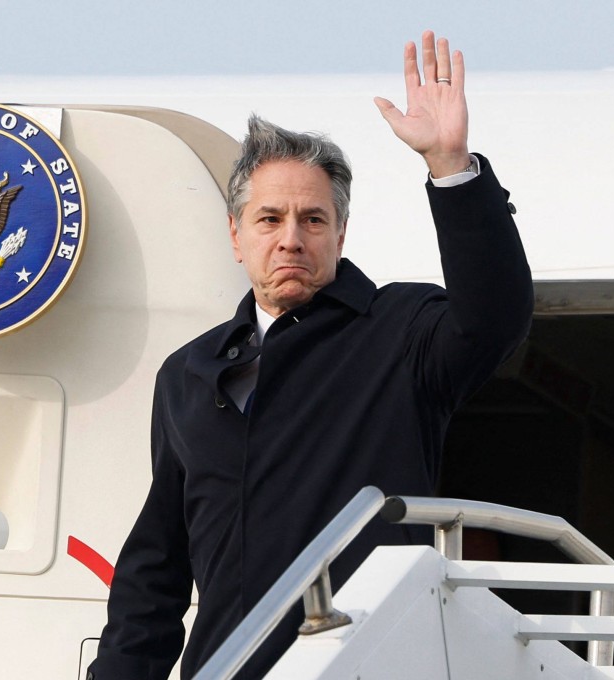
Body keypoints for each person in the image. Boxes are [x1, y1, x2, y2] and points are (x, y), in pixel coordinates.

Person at [88, 30, 534, 680]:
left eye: (313, 220)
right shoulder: (187, 373)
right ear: (236, 236)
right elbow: (155, 567)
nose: (291, 238)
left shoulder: (400, 332)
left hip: (366, 666)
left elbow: (495, 319)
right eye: (269, 220)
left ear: (341, 233)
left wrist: (451, 169)